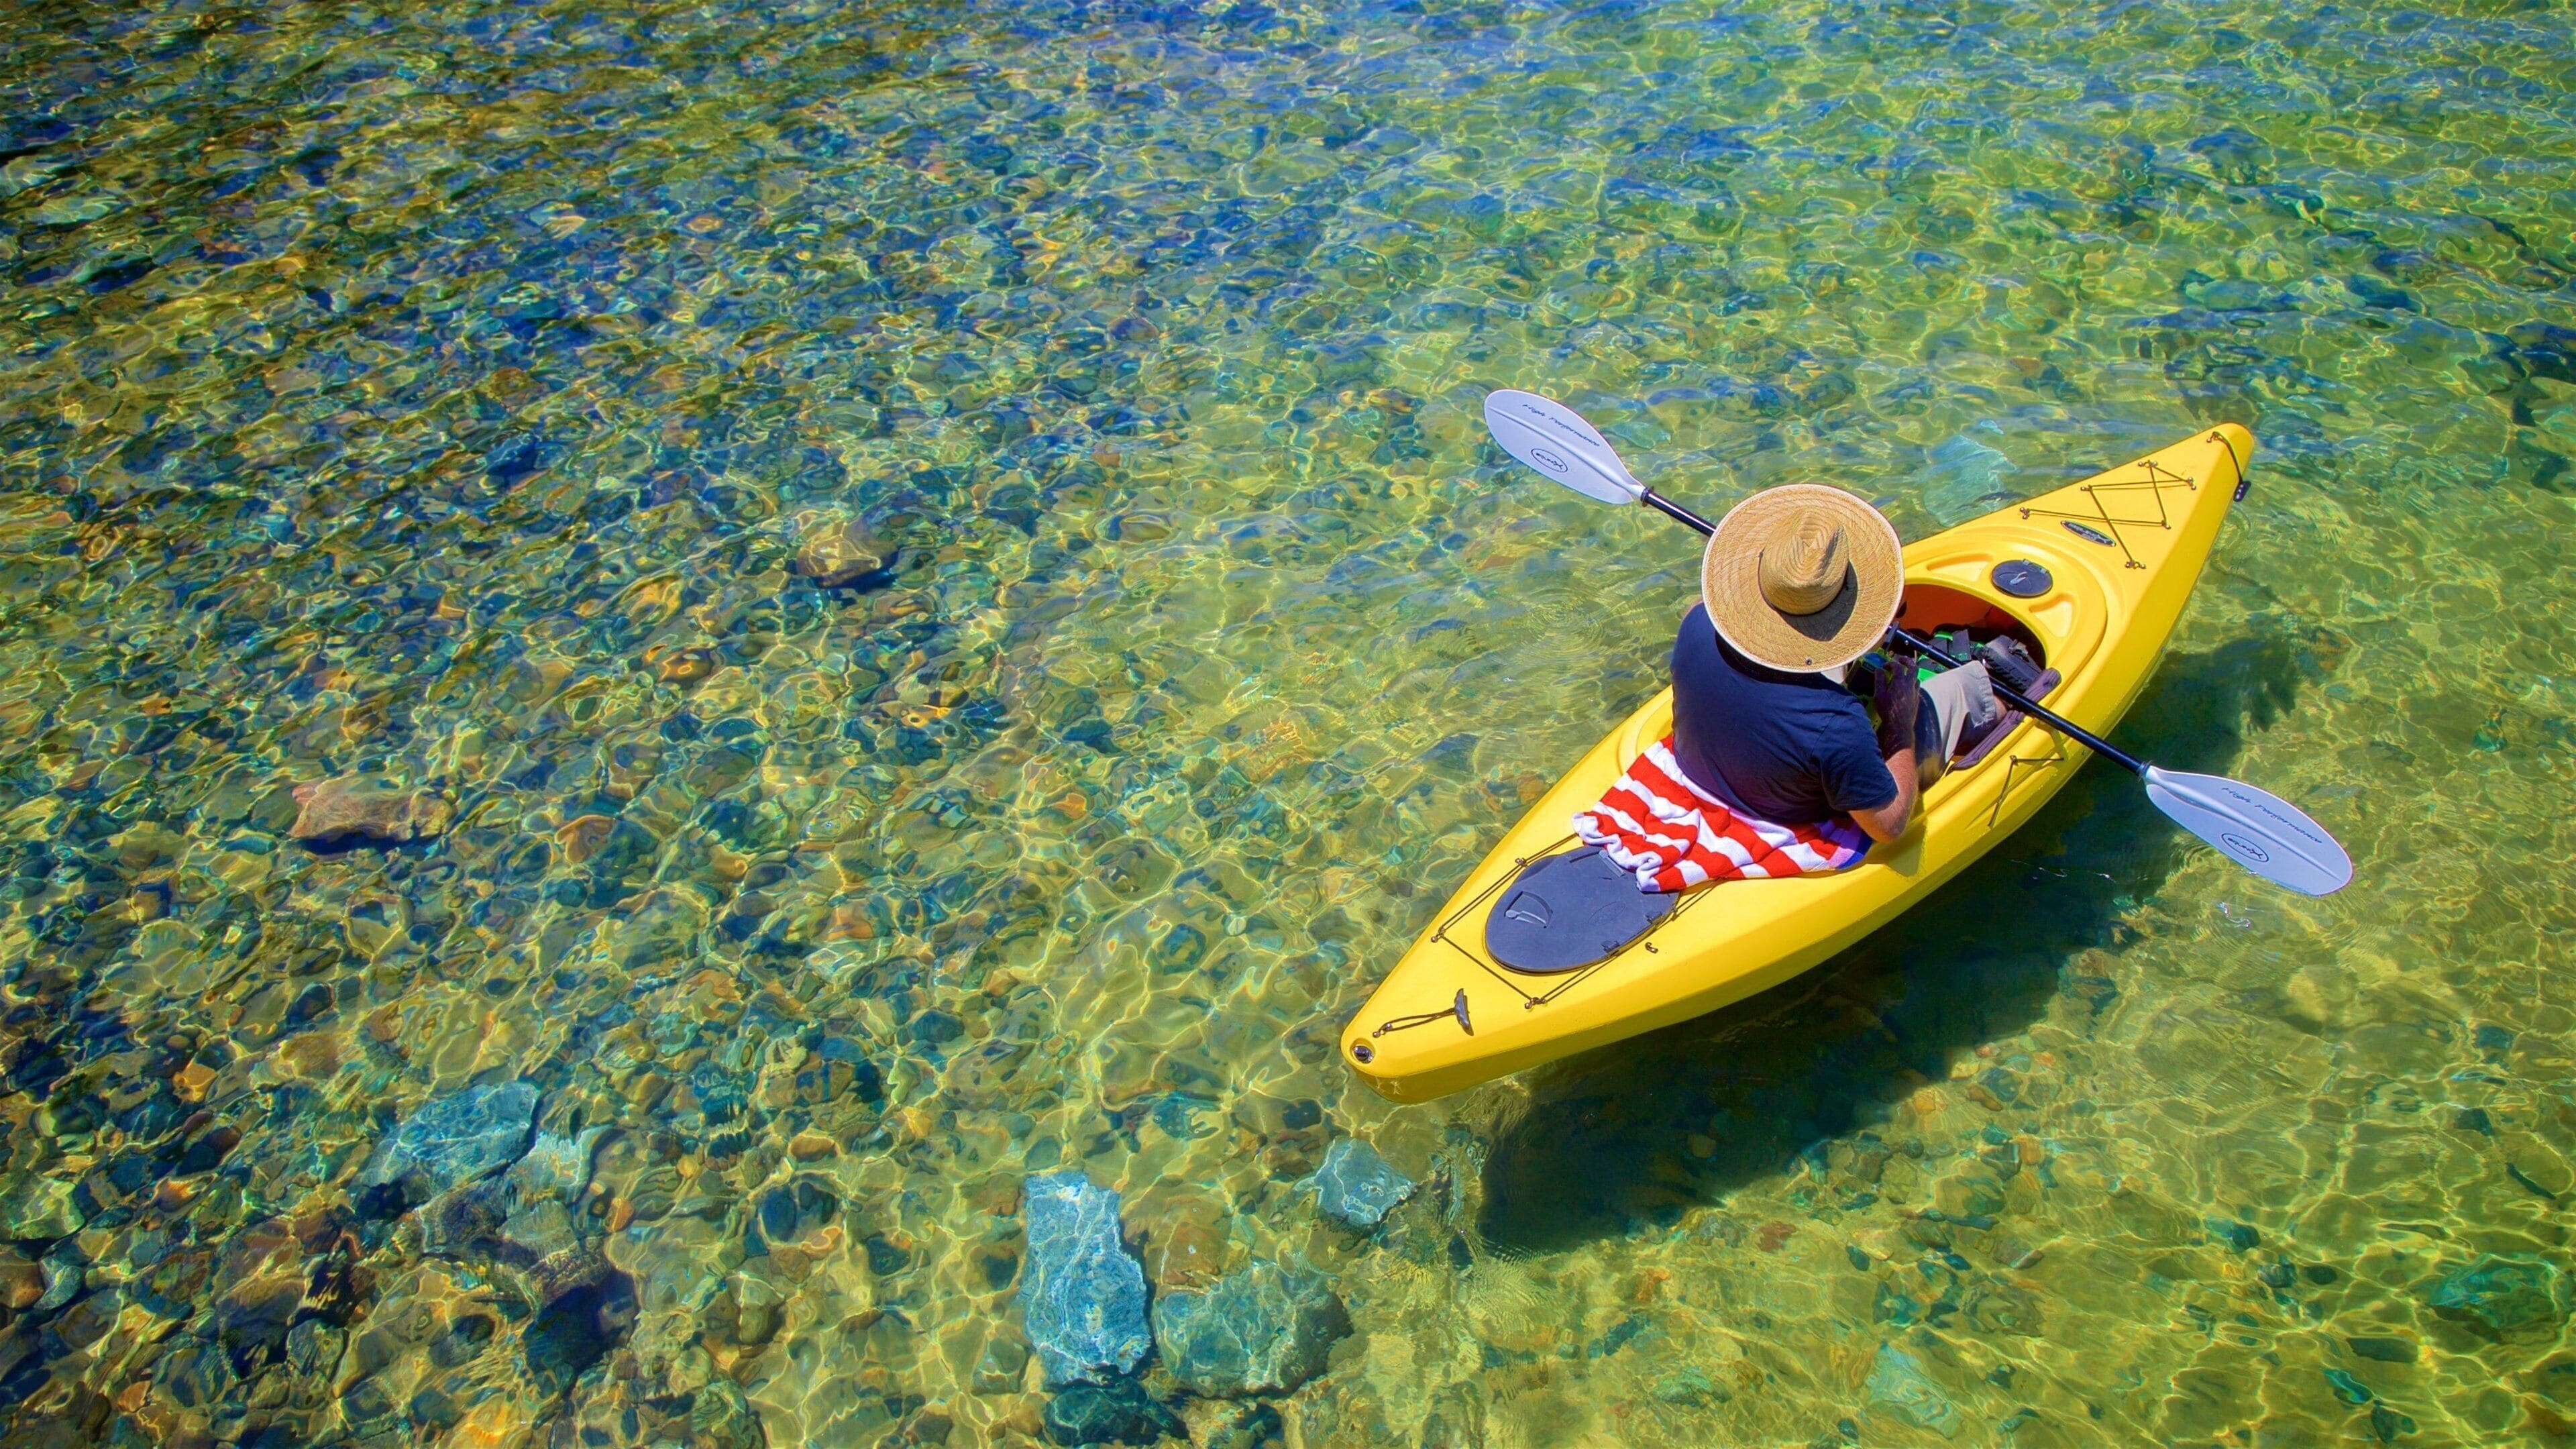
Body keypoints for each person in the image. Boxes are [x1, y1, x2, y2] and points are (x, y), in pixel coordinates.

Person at [1670, 484, 1999, 845]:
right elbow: (1888, 826)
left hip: (1718, 768)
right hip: (1794, 806)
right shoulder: (1837, 723)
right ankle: (1998, 697)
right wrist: (1899, 724)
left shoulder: (1696, 621)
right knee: (1965, 686)